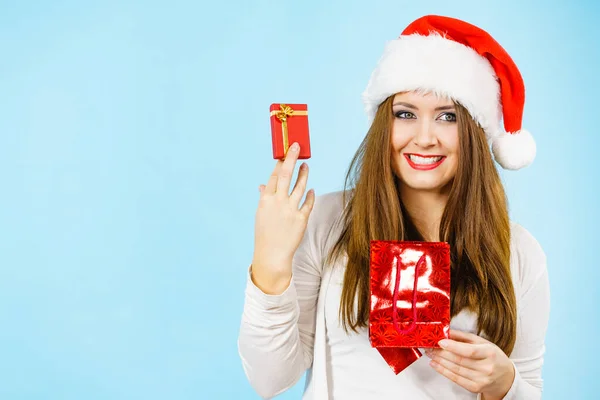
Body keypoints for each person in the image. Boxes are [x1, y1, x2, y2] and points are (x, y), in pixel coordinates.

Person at [237, 15, 550, 400]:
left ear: (474, 131)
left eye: (447, 117)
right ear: (385, 123)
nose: (423, 138)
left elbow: (531, 388)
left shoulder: (518, 251)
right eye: (405, 114)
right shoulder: (327, 223)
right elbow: (270, 381)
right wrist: (270, 261)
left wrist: (508, 385)